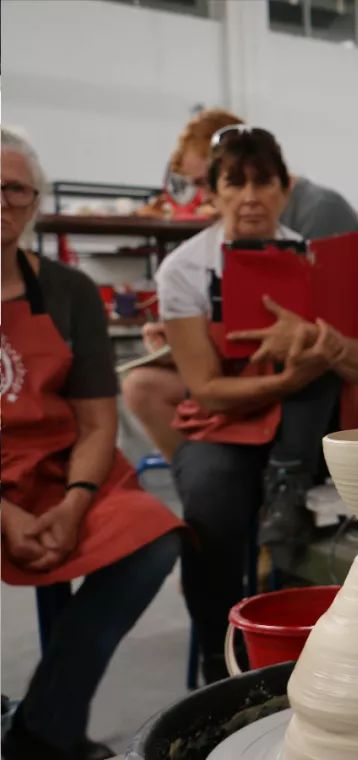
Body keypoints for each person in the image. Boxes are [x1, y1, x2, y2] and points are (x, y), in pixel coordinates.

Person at [156, 126, 358, 683]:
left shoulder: (317, 260)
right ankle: (220, 653)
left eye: (264, 182)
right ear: (213, 192)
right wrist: (290, 376)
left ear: (285, 191)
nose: (251, 196)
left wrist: (321, 339)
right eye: (236, 183)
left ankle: (319, 650)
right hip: (224, 423)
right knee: (211, 499)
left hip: (305, 432)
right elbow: (206, 389)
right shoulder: (183, 270)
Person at [0, 127, 183, 760]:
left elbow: (98, 421)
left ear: (33, 202)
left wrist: (75, 501)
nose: (1, 202)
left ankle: (42, 725)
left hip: (59, 467)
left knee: (154, 537)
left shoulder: (68, 292)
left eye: (15, 190)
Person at [123, 108, 358, 460]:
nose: (203, 198)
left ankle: (278, 476)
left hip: (328, 374)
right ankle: (199, 471)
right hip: (262, 364)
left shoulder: (317, 218)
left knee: (309, 364)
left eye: (204, 182)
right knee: (144, 389)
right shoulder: (190, 262)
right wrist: (186, 340)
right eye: (231, 183)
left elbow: (320, 333)